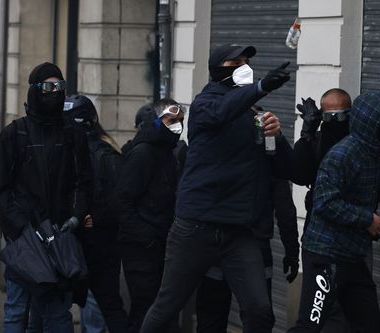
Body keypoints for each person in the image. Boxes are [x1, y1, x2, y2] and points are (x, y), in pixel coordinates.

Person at [139, 43, 292, 333]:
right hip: (196, 227)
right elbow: (223, 110)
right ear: (218, 70)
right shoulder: (205, 104)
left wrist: (278, 136)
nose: (244, 67)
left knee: (260, 310)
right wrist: (260, 86)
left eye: (247, 62)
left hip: (238, 230)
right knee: (167, 305)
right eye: (236, 63)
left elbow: (288, 170)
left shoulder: (252, 112)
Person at [0, 62, 92, 332]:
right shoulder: (14, 135)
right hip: (24, 241)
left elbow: (84, 183)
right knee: (16, 311)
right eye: (47, 87)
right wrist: (24, 228)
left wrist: (74, 217)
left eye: (60, 87)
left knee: (57, 314)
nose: (54, 92)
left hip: (60, 238)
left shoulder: (73, 134)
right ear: (35, 90)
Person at [288, 91, 380, 333]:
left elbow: (369, 182)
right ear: (369, 121)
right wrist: (366, 219)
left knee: (369, 324)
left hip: (353, 253)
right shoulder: (341, 154)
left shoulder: (370, 151)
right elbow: (325, 202)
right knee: (311, 325)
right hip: (326, 254)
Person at [195, 173, 299, 332]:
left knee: (211, 317)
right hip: (255, 246)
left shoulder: (217, 152)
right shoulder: (269, 153)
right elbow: (284, 209)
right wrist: (292, 252)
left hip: (218, 243)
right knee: (258, 319)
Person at [292, 88, 380, 234]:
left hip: (358, 232)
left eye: (339, 116)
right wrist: (306, 134)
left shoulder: (360, 145)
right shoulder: (316, 141)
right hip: (324, 232)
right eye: (327, 117)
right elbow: (299, 175)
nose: (334, 122)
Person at [117, 98, 184, 333]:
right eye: (171, 120)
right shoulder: (143, 154)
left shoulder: (168, 153)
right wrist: (147, 236)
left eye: (180, 121)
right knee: (145, 313)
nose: (177, 126)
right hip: (142, 251)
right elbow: (123, 201)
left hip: (162, 249)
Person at [65, 94, 128, 333]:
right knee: (106, 304)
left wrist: (89, 217)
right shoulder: (105, 151)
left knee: (93, 304)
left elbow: (117, 199)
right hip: (97, 241)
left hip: (94, 241)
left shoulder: (100, 154)